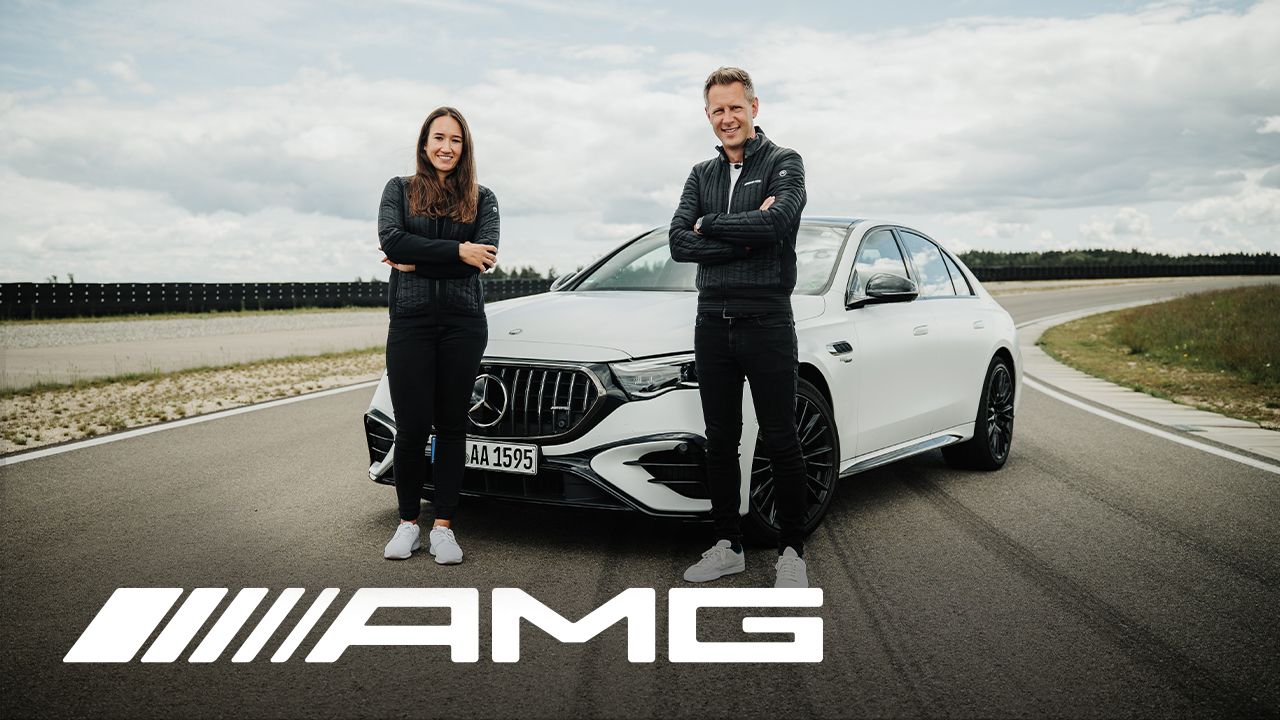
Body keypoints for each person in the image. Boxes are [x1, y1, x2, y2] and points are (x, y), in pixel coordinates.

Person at [668, 67, 810, 588]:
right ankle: (727, 544)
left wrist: (710, 224)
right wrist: (745, 234)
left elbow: (779, 224)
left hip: (767, 318)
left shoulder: (784, 162)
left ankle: (792, 551)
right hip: (712, 321)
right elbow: (678, 242)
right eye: (717, 110)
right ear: (707, 116)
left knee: (780, 438)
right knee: (720, 439)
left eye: (735, 107)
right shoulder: (699, 175)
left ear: (754, 107)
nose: (727, 118)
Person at [377, 106, 499, 565]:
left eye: (455, 140)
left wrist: (417, 261)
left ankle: (444, 527)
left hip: (463, 324)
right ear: (424, 144)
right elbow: (393, 242)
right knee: (410, 428)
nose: (446, 147)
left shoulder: (483, 198)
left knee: (451, 426)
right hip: (409, 323)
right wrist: (456, 253)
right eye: (438, 138)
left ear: (464, 147)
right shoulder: (399, 190)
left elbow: (484, 257)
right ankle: (408, 523)